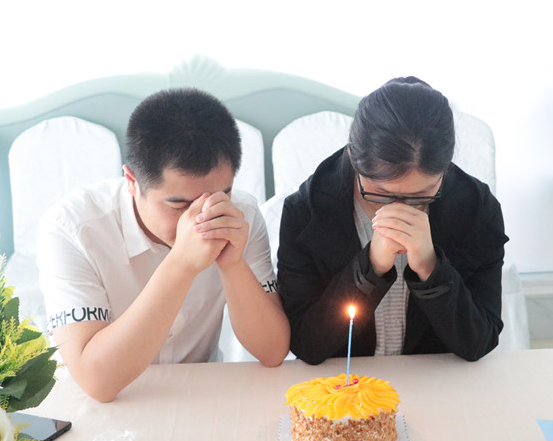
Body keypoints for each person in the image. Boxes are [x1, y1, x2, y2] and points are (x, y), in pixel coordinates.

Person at [37, 88, 290, 402]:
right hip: (98, 404)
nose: (201, 217)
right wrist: (181, 264)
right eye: (179, 205)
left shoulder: (241, 214)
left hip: (198, 396)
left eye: (219, 196)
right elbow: (97, 382)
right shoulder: (72, 228)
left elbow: (272, 351)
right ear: (132, 181)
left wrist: (233, 264)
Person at [277, 77, 508, 365]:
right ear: (354, 157)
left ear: (445, 170)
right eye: (380, 193)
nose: (399, 209)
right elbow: (306, 344)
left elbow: (479, 342)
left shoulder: (476, 209)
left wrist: (430, 268)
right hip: (343, 385)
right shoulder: (306, 210)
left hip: (437, 381)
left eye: (421, 196)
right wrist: (370, 268)